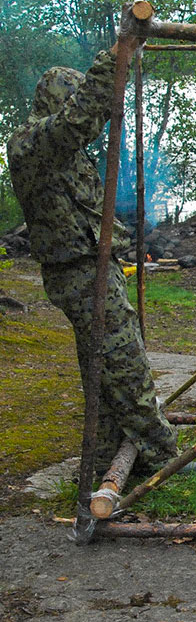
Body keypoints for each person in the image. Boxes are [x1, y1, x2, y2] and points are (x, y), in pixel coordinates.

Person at [6, 35, 184, 476]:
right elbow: (79, 121)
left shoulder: (59, 149)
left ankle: (111, 455)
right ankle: (163, 459)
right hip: (78, 274)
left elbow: (85, 205)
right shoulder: (33, 143)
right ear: (57, 102)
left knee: (104, 367)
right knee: (125, 365)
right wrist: (116, 58)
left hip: (92, 267)